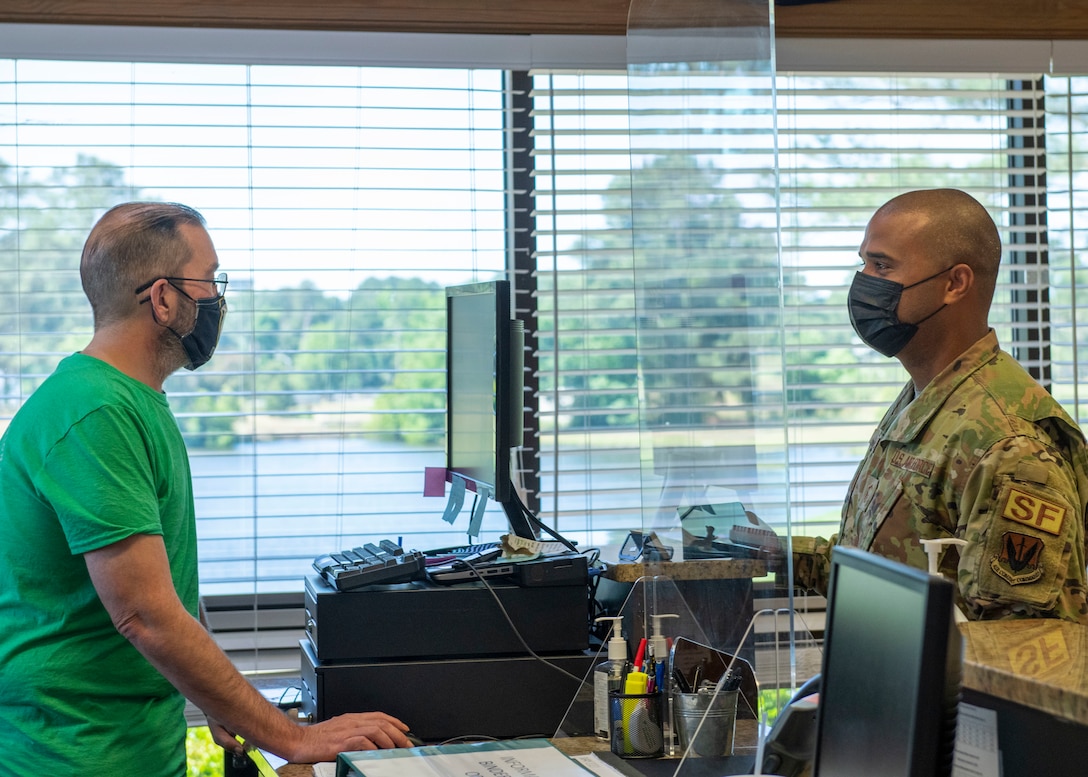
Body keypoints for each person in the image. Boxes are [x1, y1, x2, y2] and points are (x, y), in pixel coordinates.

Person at [0, 202, 412, 775]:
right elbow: (144, 616)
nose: (218, 300)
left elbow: (164, 583)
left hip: (131, 746)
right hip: (75, 757)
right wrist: (292, 738)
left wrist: (227, 701)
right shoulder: (95, 413)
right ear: (164, 298)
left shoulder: (129, 399)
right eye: (210, 281)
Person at [794, 188, 1088, 624]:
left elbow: (1030, 646)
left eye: (882, 265)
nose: (864, 282)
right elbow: (892, 567)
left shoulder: (1008, 445)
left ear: (954, 283)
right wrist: (775, 553)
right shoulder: (930, 398)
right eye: (865, 264)